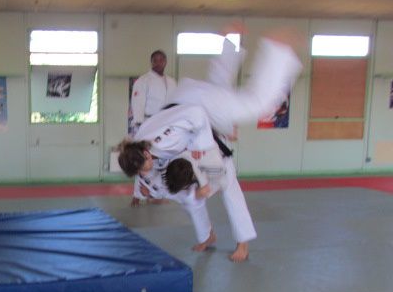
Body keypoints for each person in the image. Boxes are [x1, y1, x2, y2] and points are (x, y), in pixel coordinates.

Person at [119, 27, 303, 261]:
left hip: (198, 107)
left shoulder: (168, 141)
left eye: (146, 165)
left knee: (256, 106)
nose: (147, 170)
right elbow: (142, 171)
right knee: (190, 198)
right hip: (191, 104)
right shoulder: (138, 151)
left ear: (146, 152)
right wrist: (141, 191)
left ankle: (278, 51)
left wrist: (209, 149)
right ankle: (207, 236)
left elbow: (197, 117)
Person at [129, 50, 177, 207]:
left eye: (162, 60)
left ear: (166, 62)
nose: (159, 63)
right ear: (151, 62)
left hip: (166, 125)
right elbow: (137, 104)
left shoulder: (172, 82)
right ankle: (137, 194)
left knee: (163, 160)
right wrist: (138, 126)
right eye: (155, 60)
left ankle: (156, 192)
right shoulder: (143, 81)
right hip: (148, 124)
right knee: (143, 159)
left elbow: (175, 104)